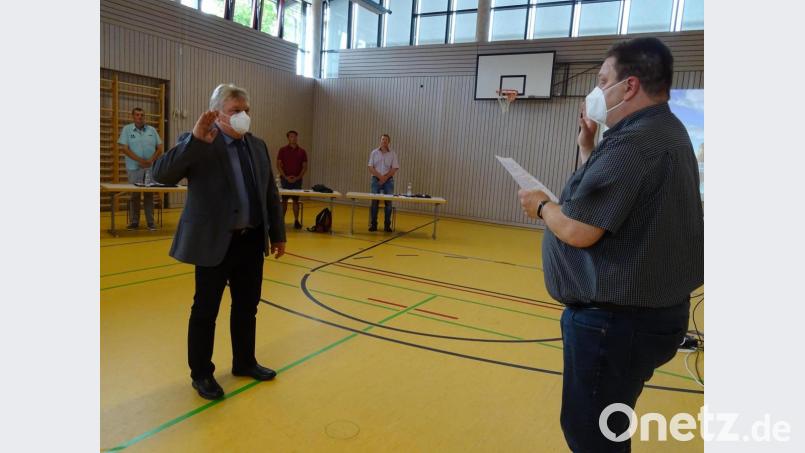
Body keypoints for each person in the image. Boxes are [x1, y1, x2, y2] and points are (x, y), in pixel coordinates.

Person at [517, 37, 703, 452]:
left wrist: (542, 205)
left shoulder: (635, 143)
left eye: (603, 80)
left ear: (630, 86)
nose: (597, 90)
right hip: (642, 317)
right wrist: (588, 148)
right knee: (607, 424)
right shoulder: (660, 132)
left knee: (593, 435)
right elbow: (606, 201)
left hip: (616, 323)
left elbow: (581, 229)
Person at [152, 84, 287, 400]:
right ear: (217, 113)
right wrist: (196, 141)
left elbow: (270, 193)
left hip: (251, 240)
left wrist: (277, 234)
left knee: (247, 306)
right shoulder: (199, 141)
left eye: (246, 111)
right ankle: (201, 374)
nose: (243, 117)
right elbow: (163, 174)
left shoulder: (258, 146)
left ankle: (244, 361)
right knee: (205, 311)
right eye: (235, 111)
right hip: (215, 241)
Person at [117, 107, 163, 231]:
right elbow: (124, 149)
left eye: (142, 115)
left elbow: (160, 148)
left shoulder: (152, 130)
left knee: (149, 195)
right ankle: (134, 222)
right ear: (133, 116)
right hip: (134, 168)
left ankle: (151, 223)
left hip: (149, 168)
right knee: (134, 195)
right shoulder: (127, 130)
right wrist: (140, 161)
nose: (140, 117)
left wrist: (150, 160)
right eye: (137, 115)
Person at [367, 133, 399, 232]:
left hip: (388, 180)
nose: (383, 141)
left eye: (385, 140)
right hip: (376, 179)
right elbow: (370, 167)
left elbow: (394, 168)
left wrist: (385, 178)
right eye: (382, 139)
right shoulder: (374, 153)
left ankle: (387, 225)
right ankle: (373, 225)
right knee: (374, 202)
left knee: (388, 203)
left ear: (389, 142)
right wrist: (380, 177)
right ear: (380, 141)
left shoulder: (392, 154)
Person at [276, 130, 308, 229]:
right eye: (291, 136)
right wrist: (285, 177)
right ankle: (281, 222)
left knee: (295, 201)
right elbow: (278, 165)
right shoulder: (282, 150)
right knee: (284, 201)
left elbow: (305, 166)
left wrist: (297, 178)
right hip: (285, 180)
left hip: (297, 181)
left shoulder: (302, 151)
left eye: (295, 136)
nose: (293, 138)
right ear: (288, 138)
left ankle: (296, 221)